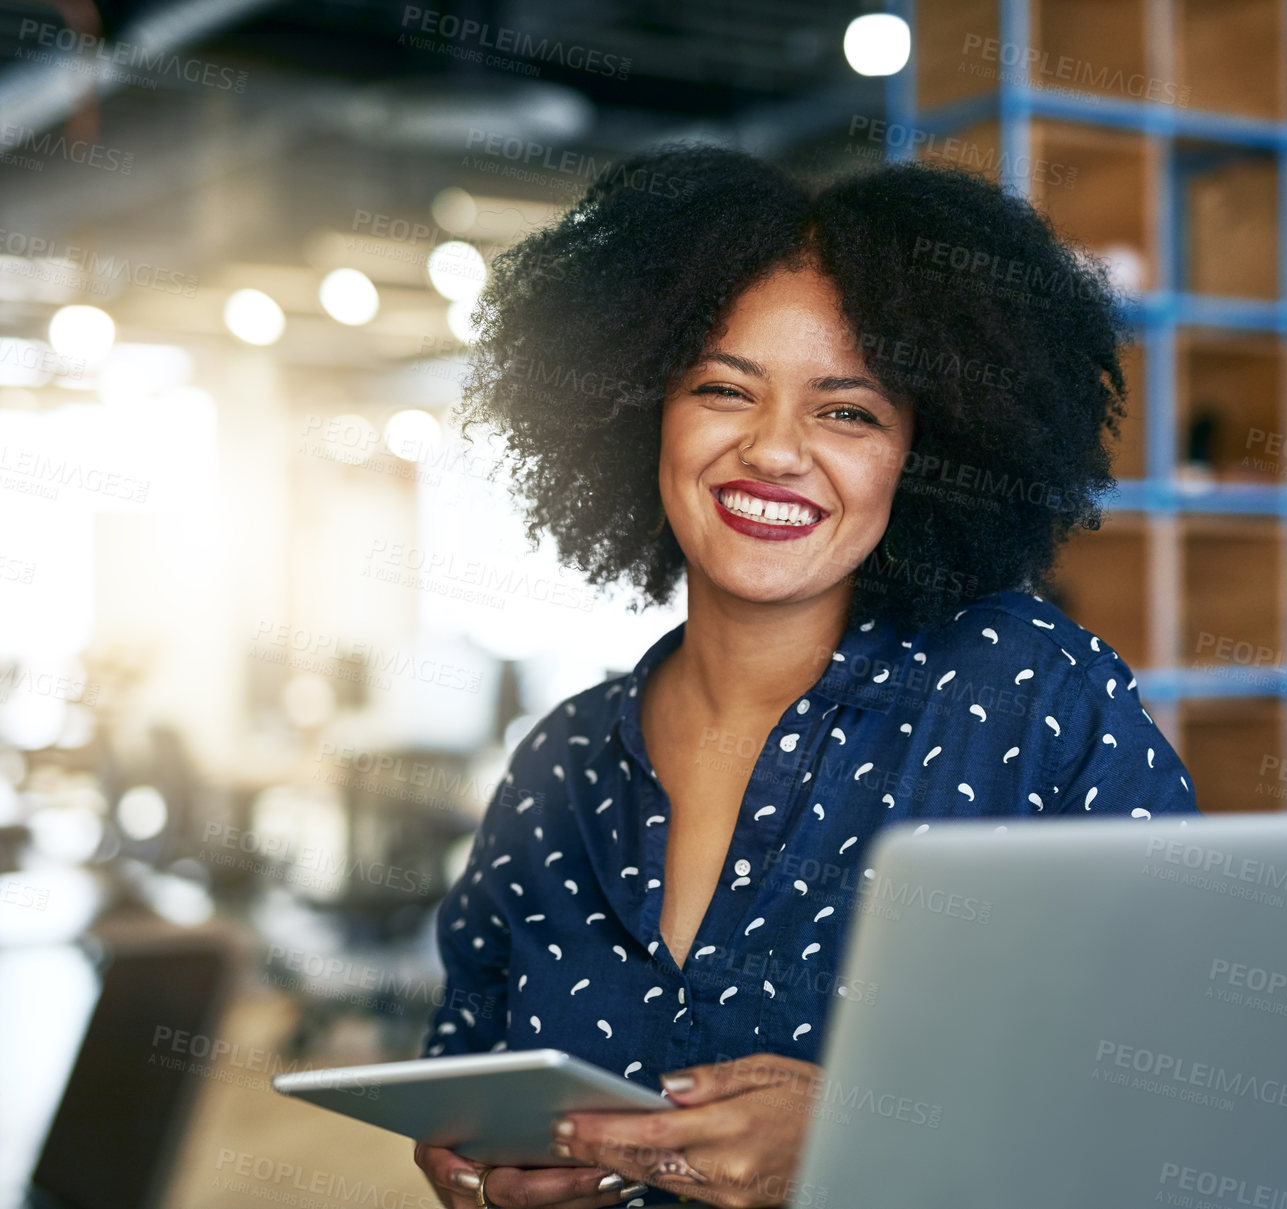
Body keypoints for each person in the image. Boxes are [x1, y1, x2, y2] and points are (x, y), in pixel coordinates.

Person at [414, 144, 1199, 1209]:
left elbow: (1186, 1098)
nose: (775, 451)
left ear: (922, 456)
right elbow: (465, 1070)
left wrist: (864, 1136)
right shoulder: (559, 762)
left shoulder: (1030, 696)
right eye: (723, 389)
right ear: (642, 413)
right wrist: (482, 1179)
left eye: (849, 411)